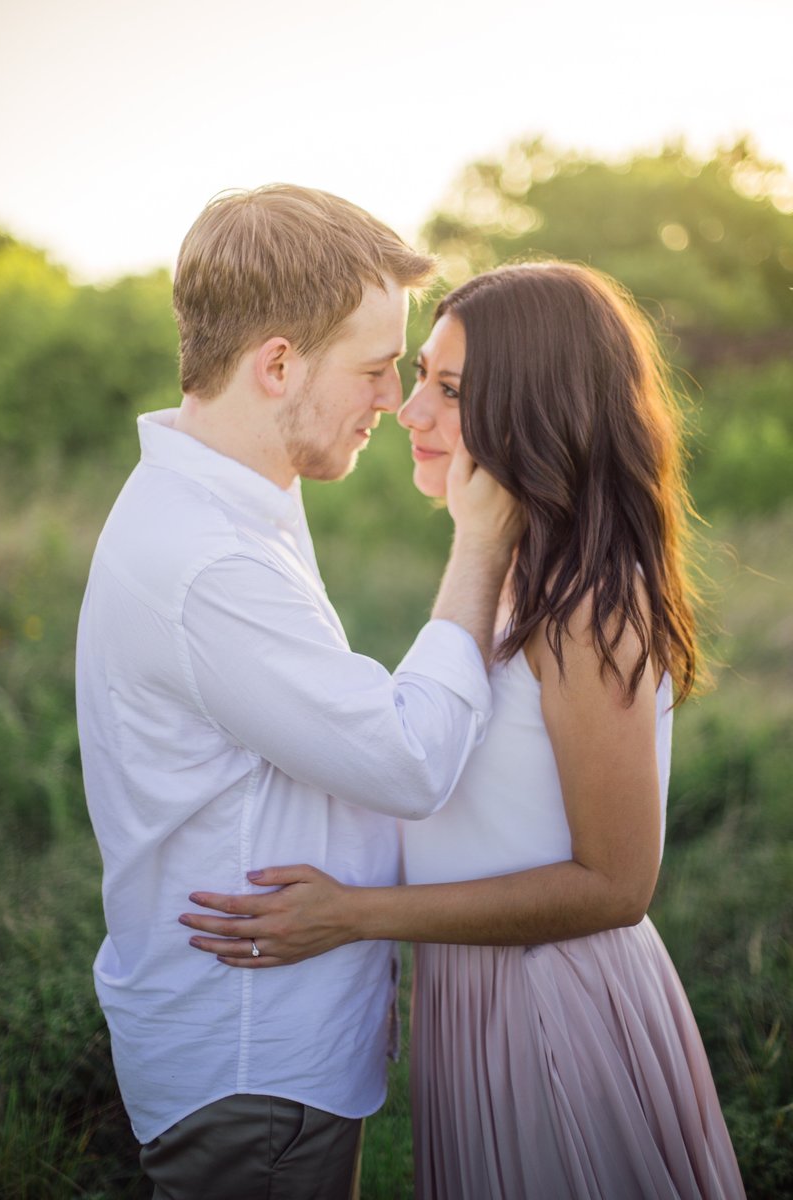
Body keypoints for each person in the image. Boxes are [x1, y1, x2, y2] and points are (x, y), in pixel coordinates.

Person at [182, 262, 747, 1199]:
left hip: (552, 1003)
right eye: (420, 381)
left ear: (537, 408)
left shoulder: (589, 605)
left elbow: (615, 886)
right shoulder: (506, 576)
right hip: (472, 991)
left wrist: (353, 916)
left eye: (449, 390)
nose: (409, 412)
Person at [75, 185, 524, 1200]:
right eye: (373, 371)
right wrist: (482, 543)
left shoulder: (237, 497)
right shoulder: (207, 561)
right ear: (277, 364)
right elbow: (406, 763)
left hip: (252, 1053)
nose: (394, 405)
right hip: (253, 1071)